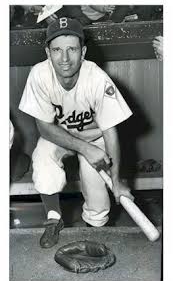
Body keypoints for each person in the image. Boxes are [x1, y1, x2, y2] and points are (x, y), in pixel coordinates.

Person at [19, 17, 134, 249]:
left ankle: (96, 229)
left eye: (71, 49)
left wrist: (117, 180)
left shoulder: (98, 78)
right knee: (43, 158)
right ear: (47, 52)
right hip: (58, 135)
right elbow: (43, 127)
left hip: (96, 137)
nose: (64, 58)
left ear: (83, 52)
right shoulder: (39, 74)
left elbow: (111, 132)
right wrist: (83, 148)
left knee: (97, 194)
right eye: (57, 50)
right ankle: (53, 218)